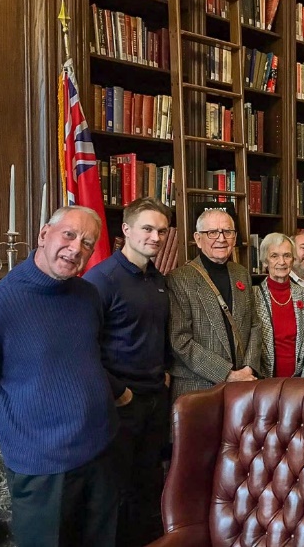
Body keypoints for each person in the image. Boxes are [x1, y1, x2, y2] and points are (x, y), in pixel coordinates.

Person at [0, 206, 118, 546]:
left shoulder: (88, 295)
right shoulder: (3, 302)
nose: (77, 248)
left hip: (101, 451)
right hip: (43, 468)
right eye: (69, 235)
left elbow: (91, 356)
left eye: (87, 243)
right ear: (43, 235)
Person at [84, 198, 172, 547]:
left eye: (161, 230)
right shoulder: (101, 279)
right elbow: (85, 347)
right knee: (116, 495)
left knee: (148, 489)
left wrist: (164, 373)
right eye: (147, 228)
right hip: (121, 404)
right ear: (126, 230)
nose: (155, 237)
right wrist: (118, 392)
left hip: (155, 399)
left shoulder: (157, 278)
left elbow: (160, 332)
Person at [167, 209, 261, 402]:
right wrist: (227, 374)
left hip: (243, 386)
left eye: (228, 232)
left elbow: (255, 324)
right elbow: (180, 340)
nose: (221, 238)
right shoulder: (180, 279)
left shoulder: (241, 274)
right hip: (197, 388)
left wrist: (248, 368)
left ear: (234, 238)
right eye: (212, 232)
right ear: (198, 238)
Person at [254, 233, 304, 379]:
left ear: (293, 260)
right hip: (264, 381)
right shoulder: (253, 296)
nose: (282, 262)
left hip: (298, 382)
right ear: (265, 261)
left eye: (287, 255)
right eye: (274, 256)